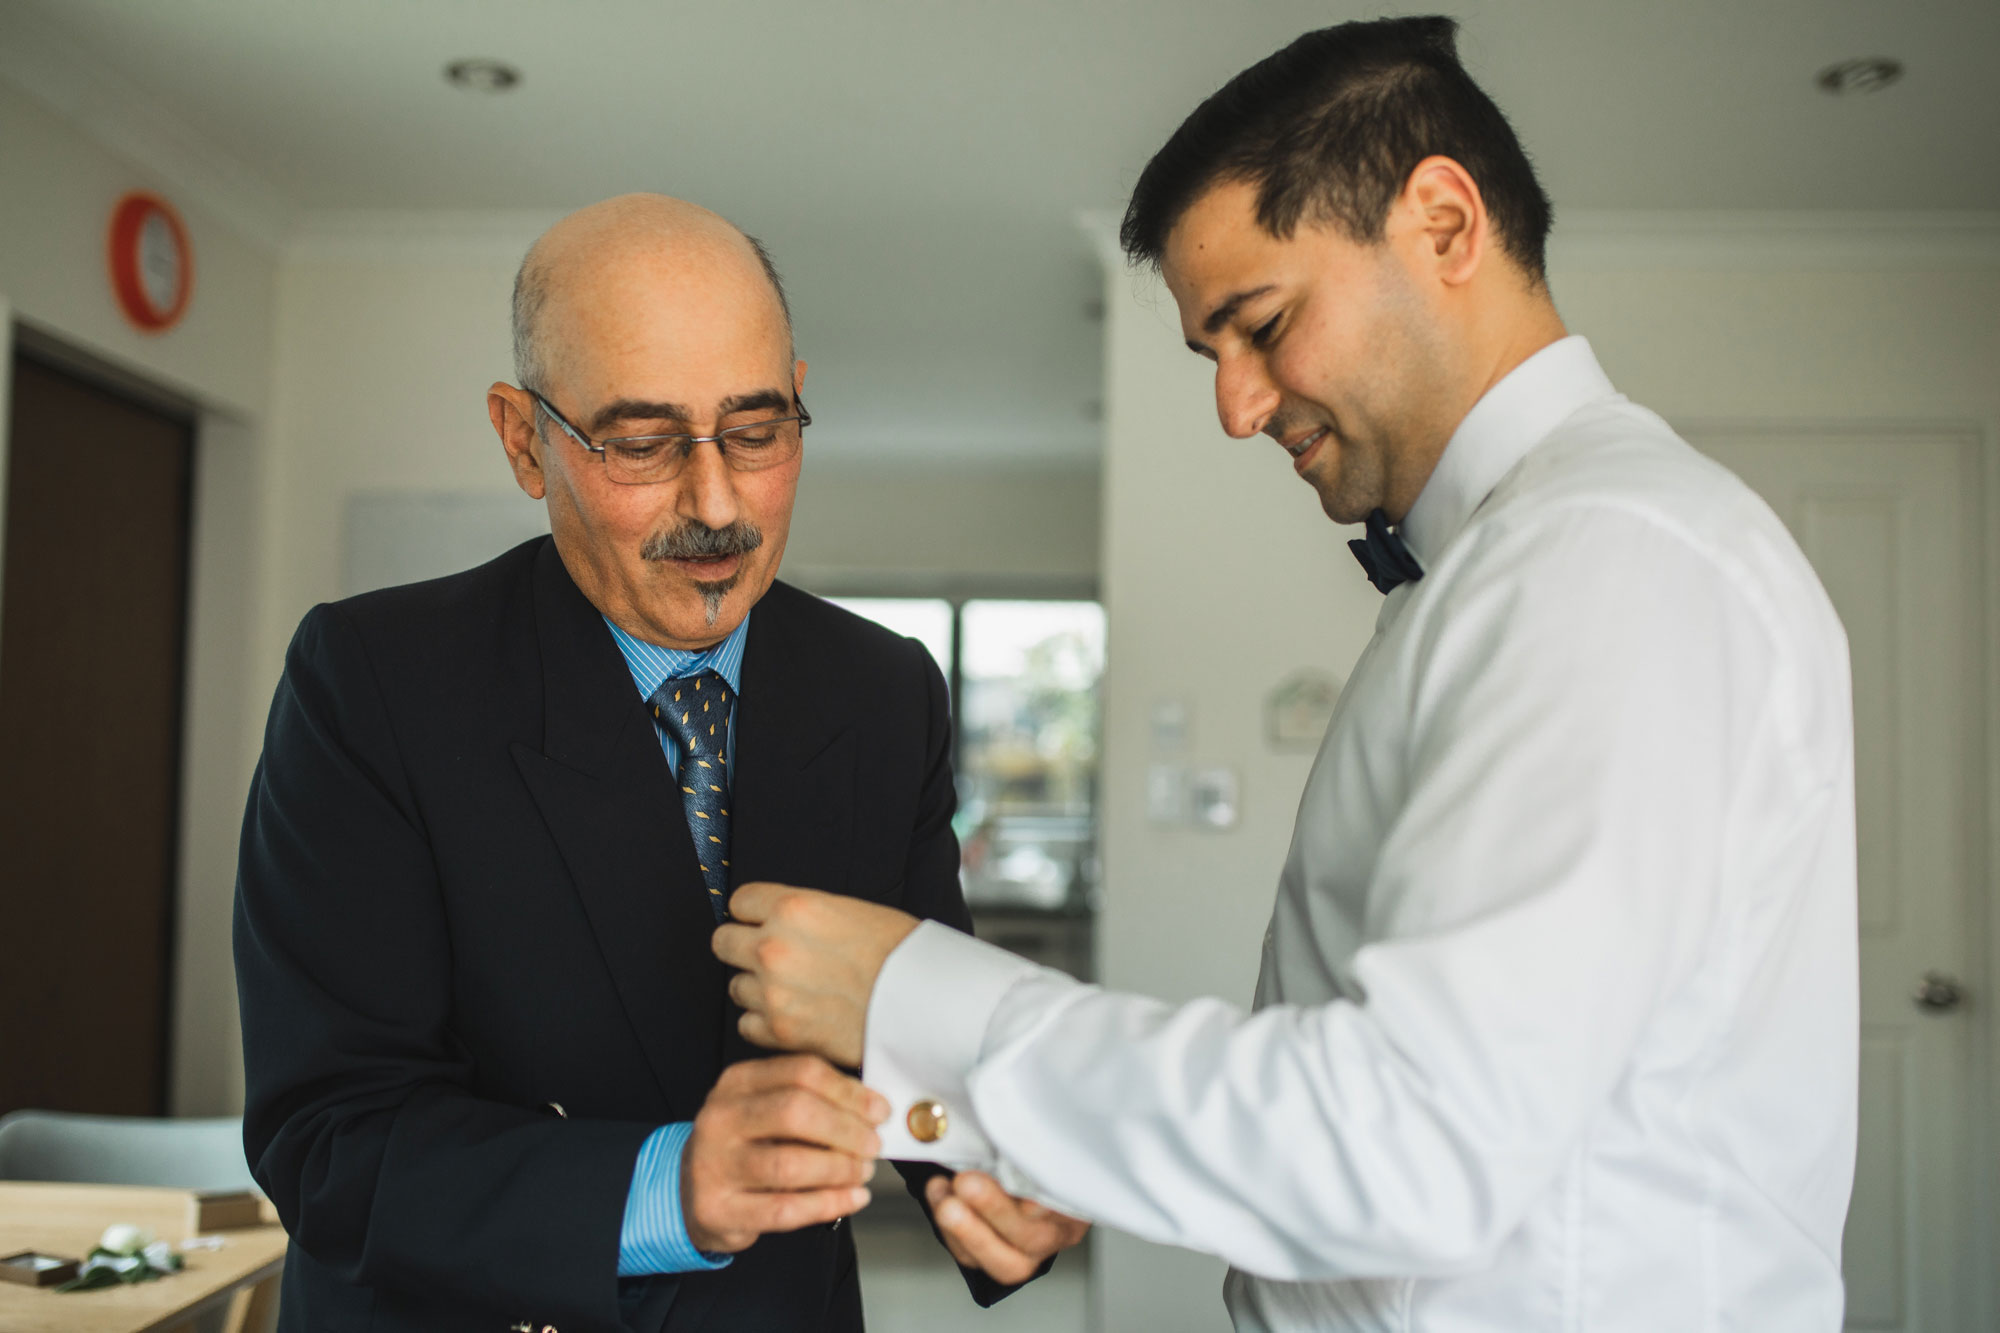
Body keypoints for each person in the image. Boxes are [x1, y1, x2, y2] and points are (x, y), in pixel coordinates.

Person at [716, 17, 1857, 1332]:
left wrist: (916, 995)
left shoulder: (1604, 565)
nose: (1237, 409)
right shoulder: (1508, 574)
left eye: (1262, 327)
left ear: (1441, 223)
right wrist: (1042, 1134)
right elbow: (1375, 1106)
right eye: (1216, 356)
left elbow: (1413, 1144)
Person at [234, 194, 1084, 1333]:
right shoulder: (373, 680)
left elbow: (907, 1021)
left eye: (757, 430)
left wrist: (993, 1171)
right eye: (640, 443)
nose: (717, 503)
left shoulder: (884, 691)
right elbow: (329, 1137)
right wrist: (667, 1188)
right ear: (523, 438)